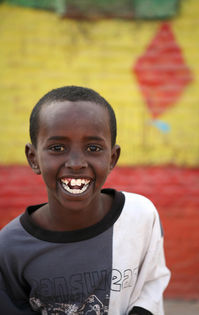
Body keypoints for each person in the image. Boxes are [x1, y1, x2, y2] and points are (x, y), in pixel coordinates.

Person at [0, 86, 170, 315]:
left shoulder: (140, 216)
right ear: (33, 158)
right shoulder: (9, 248)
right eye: (57, 148)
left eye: (93, 148)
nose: (76, 162)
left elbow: (151, 283)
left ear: (112, 157)